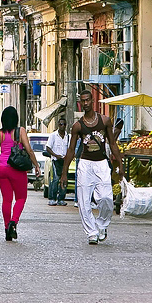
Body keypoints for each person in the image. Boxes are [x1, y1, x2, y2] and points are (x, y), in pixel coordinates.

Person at [61, 90, 121, 245]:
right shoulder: (77, 126)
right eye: (83, 101)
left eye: (88, 100)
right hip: (85, 165)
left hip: (101, 163)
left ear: (92, 101)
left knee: (106, 198)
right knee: (83, 201)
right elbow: (70, 150)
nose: (85, 103)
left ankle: (101, 225)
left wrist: (120, 165)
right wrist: (64, 173)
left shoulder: (105, 120)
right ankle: (91, 233)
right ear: (80, 103)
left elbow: (112, 143)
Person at [0, 106, 40, 241]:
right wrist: (36, 165)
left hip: (1, 169)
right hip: (17, 169)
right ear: (16, 119)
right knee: (21, 198)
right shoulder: (20, 131)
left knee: (6, 200)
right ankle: (13, 222)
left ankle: (6, 228)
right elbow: (29, 150)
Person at [45, 117, 68, 206]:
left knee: (64, 180)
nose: (62, 126)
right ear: (58, 125)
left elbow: (70, 148)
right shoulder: (53, 136)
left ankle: (61, 199)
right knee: (55, 179)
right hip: (56, 161)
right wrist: (55, 155)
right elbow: (48, 148)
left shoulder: (68, 137)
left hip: (65, 161)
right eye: (61, 124)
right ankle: (52, 198)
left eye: (64, 124)